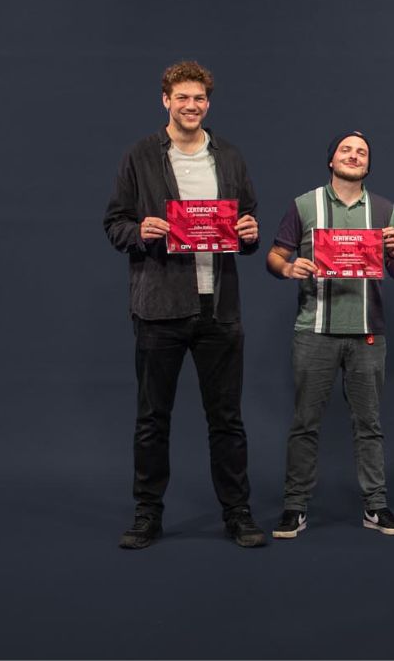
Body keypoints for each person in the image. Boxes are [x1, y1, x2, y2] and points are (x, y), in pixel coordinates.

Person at [102, 60, 266, 550]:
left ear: (207, 104)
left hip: (219, 308)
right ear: (166, 101)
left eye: (199, 99)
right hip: (159, 307)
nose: (191, 106)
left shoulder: (230, 158)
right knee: (153, 418)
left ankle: (237, 514)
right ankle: (147, 514)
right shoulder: (139, 156)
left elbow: (248, 220)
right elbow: (114, 223)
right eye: (182, 98)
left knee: (228, 420)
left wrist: (250, 233)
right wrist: (139, 232)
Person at [266, 131, 394, 538]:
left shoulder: (384, 209)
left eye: (362, 152)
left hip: (368, 331)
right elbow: (274, 256)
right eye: (346, 150)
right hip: (314, 331)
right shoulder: (304, 205)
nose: (354, 155)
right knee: (305, 423)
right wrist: (288, 267)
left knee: (369, 423)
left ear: (368, 164)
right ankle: (294, 507)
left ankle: (376, 507)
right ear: (331, 160)